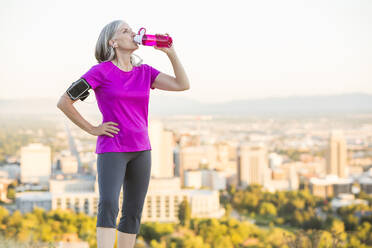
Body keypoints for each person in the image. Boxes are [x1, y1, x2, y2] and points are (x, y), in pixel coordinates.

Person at [56, 19, 190, 248]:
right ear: (113, 42)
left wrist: (171, 53)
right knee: (108, 203)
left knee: (133, 209)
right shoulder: (100, 71)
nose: (133, 32)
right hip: (112, 149)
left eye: (132, 29)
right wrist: (93, 129)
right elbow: (64, 102)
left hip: (142, 150)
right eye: (125, 30)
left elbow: (182, 84)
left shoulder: (145, 72)